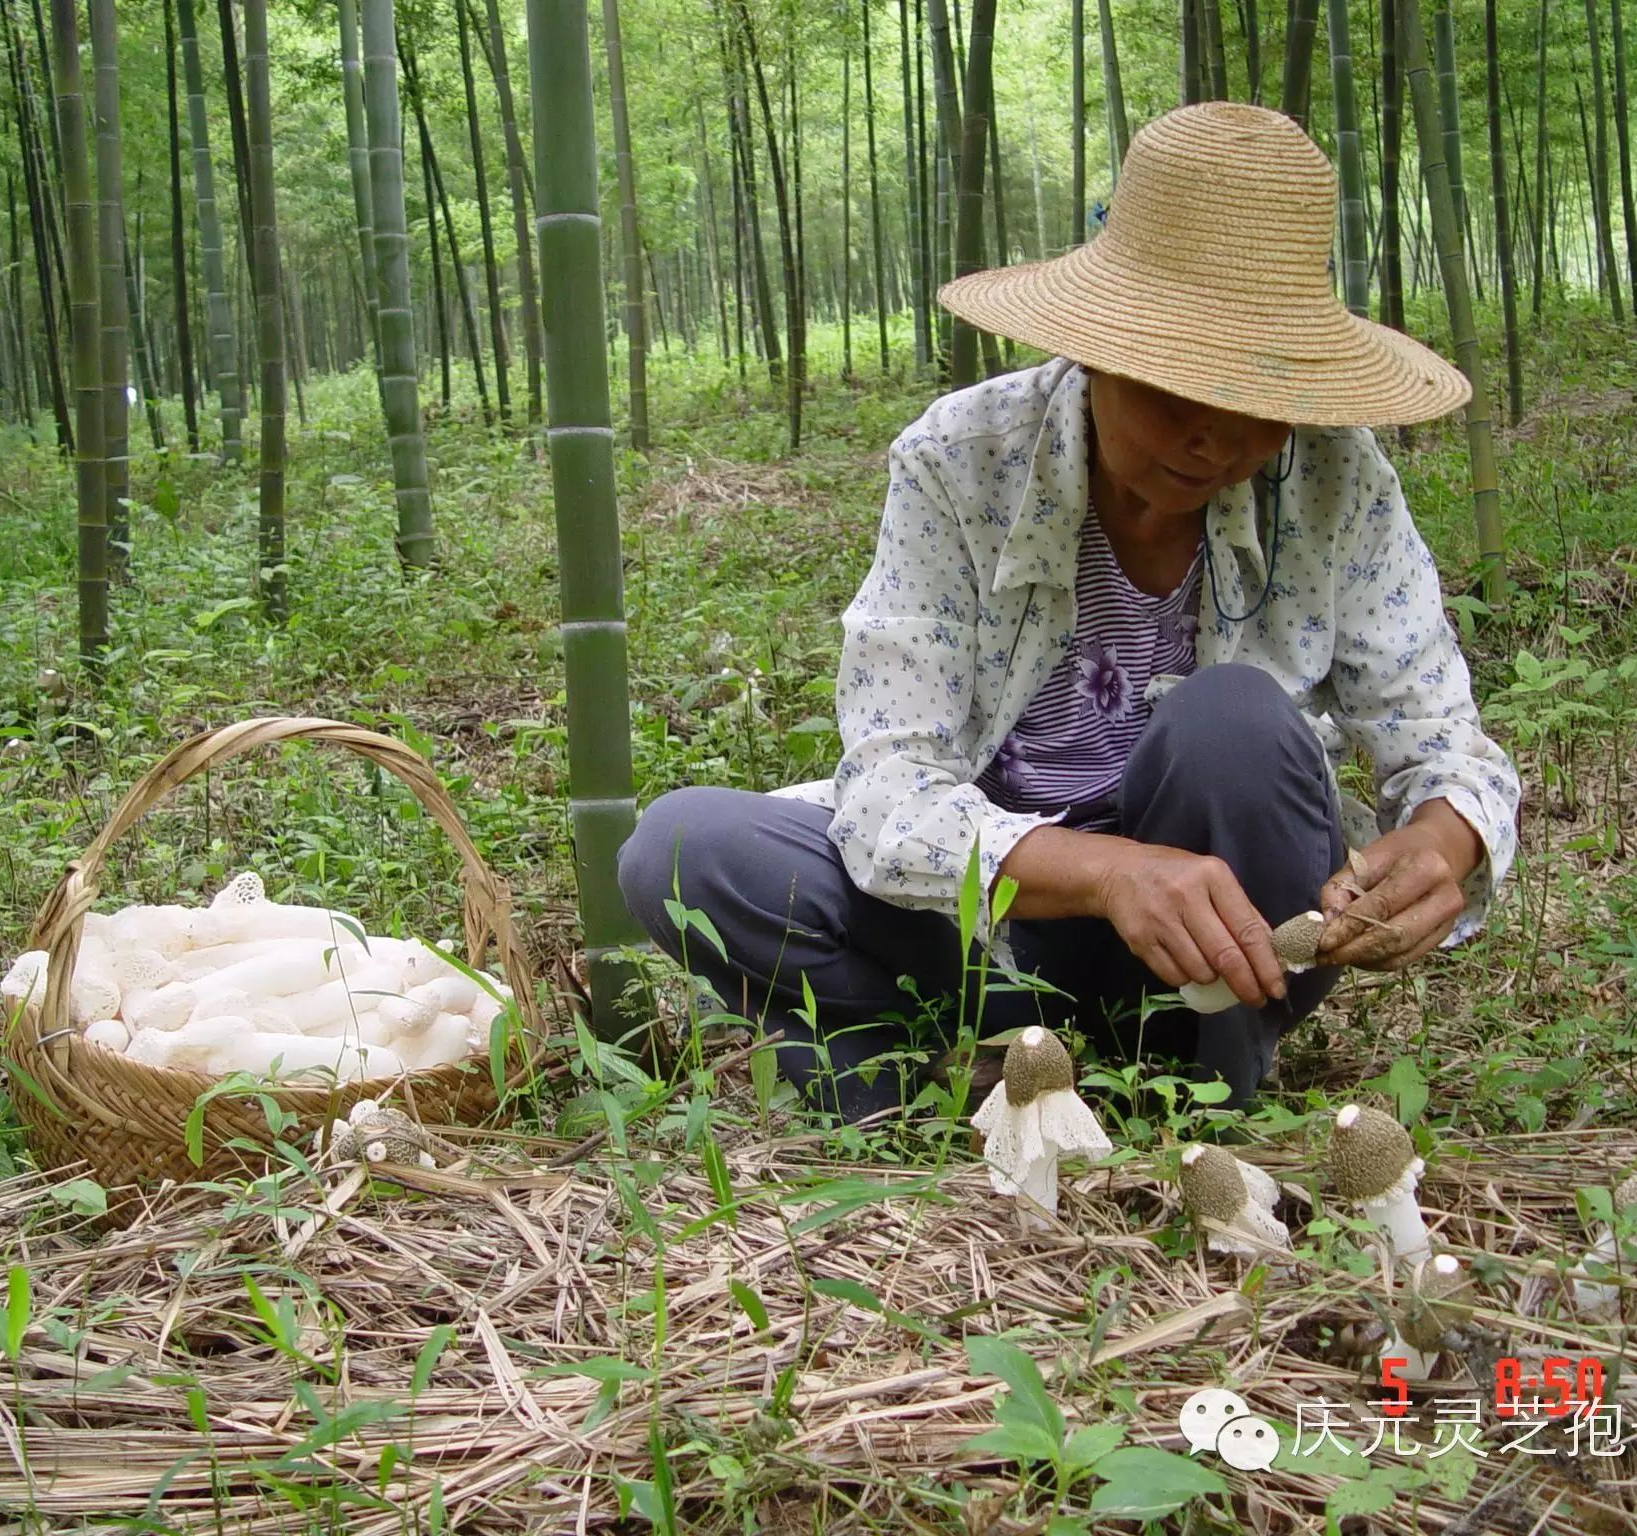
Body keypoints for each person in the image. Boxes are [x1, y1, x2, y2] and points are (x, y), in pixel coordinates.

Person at [617, 103, 1520, 1121]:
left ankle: (1187, 1074)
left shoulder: (1333, 479)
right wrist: (1103, 872)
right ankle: (1001, 1050)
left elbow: (1440, 738)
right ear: (1095, 354)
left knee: (1230, 722)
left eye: (1257, 406)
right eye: (1176, 393)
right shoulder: (961, 461)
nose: (1213, 443)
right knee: (680, 849)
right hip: (996, 907)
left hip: (1226, 932)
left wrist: (1444, 840)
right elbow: (888, 786)